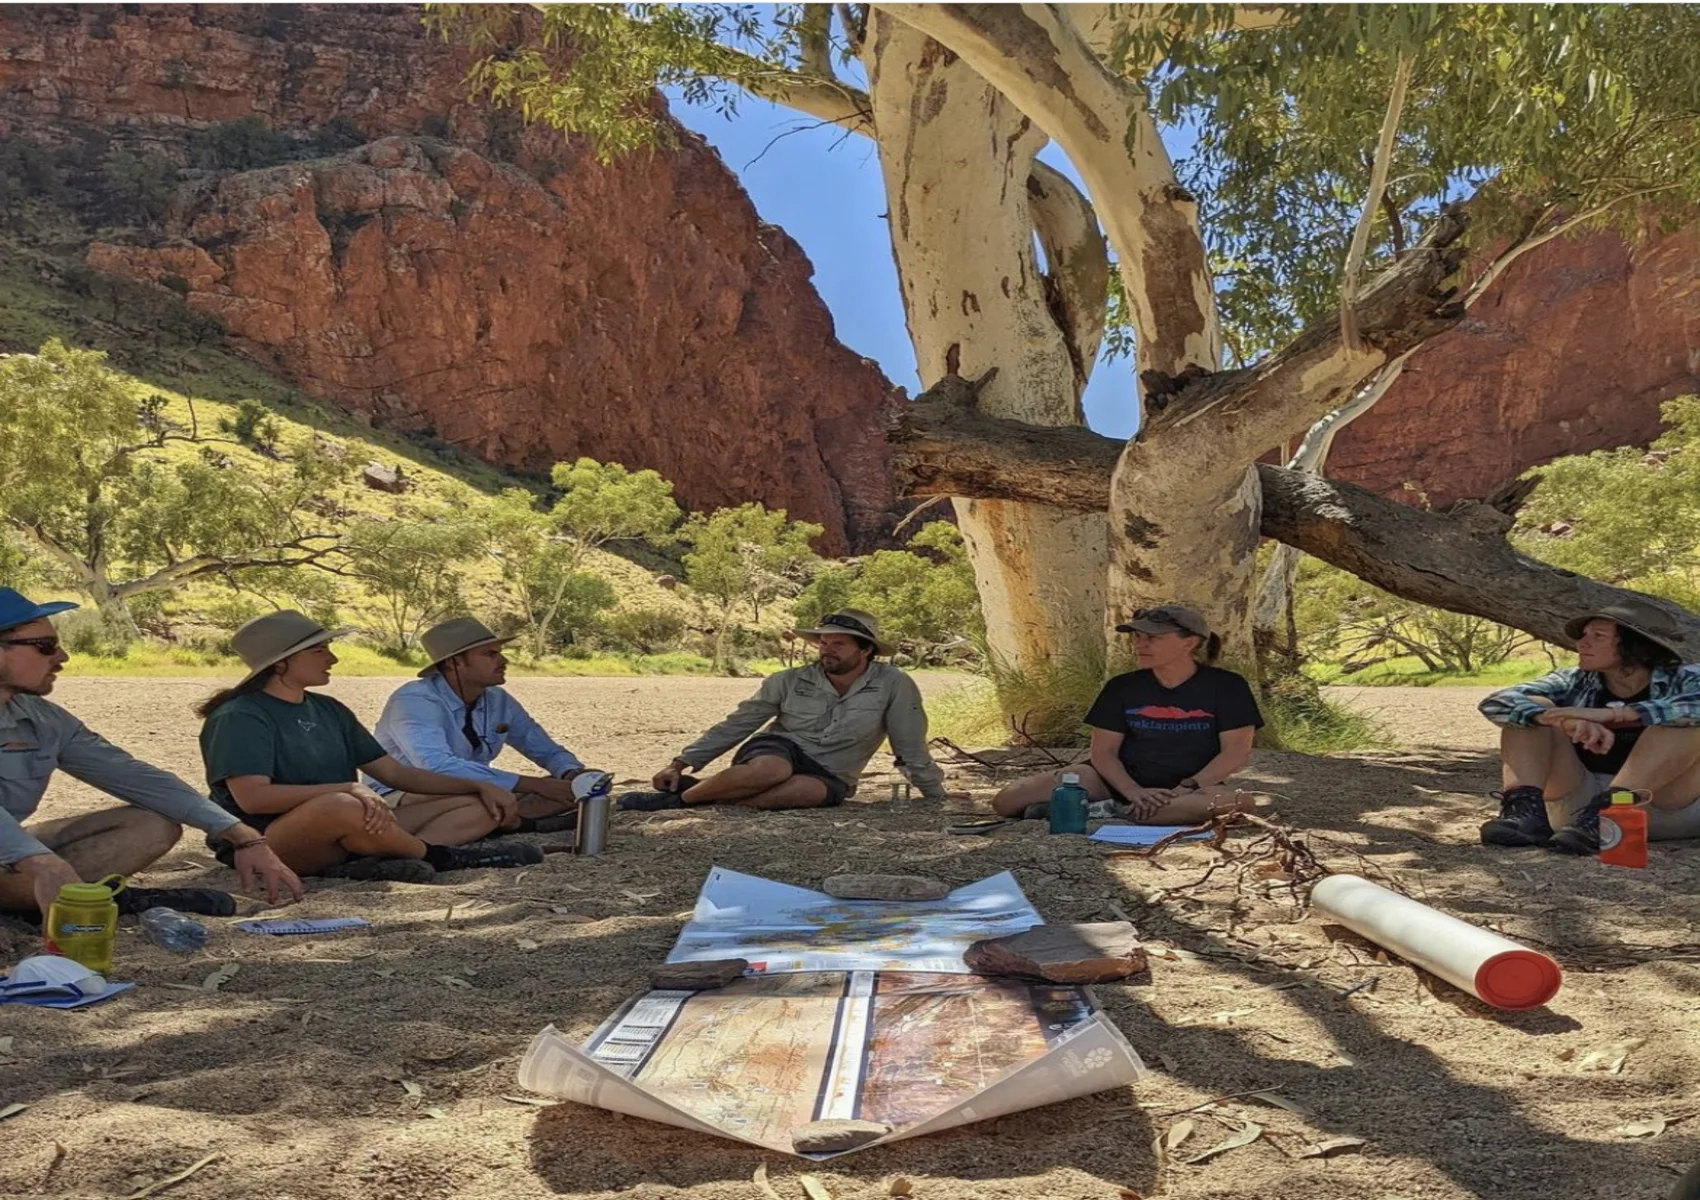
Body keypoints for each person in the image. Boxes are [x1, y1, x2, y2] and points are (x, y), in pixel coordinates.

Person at [0, 589, 303, 920]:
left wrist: (241, 835)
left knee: (154, 825)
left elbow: (137, 778)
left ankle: (56, 896)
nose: (62, 657)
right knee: (39, 868)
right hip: (16, 849)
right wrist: (38, 860)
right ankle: (91, 897)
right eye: (45, 646)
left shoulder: (44, 720)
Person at [197, 611, 542, 883]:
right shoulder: (241, 716)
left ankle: (379, 860)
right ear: (281, 662)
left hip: (351, 825)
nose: (332, 659)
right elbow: (254, 799)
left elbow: (394, 773)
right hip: (269, 840)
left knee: (479, 805)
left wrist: (479, 785)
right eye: (319, 650)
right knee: (341, 805)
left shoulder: (329, 709)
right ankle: (437, 857)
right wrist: (349, 789)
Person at [620, 609, 951, 811]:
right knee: (771, 771)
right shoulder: (788, 680)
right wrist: (679, 763)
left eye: (838, 644)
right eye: (823, 643)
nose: (827, 650)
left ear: (865, 650)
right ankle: (678, 800)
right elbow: (739, 723)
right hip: (780, 749)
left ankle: (713, 792)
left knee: (803, 792)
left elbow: (909, 743)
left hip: (833, 771)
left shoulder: (894, 683)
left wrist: (934, 793)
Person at [991, 604, 1262, 823]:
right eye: (1137, 637)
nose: (1140, 644)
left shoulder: (1228, 687)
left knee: (1241, 802)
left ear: (1189, 642)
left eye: (1153, 638)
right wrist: (1132, 790)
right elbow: (1103, 752)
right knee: (1007, 800)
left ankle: (1109, 811)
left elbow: (1235, 752)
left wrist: (1185, 788)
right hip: (1112, 783)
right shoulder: (1121, 687)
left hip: (1191, 789)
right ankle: (1123, 808)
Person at [1478, 603, 1700, 854]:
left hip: (1669, 805)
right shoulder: (1573, 679)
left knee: (1685, 721)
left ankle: (1611, 810)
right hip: (1579, 815)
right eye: (1584, 635)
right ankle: (1524, 816)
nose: (1582, 644)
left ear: (1636, 645)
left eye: (1598, 636)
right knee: (1533, 709)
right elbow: (1497, 702)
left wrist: (1613, 715)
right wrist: (1559, 719)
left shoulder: (1688, 677)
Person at [370, 617, 599, 833]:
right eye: (490, 654)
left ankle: (503, 820)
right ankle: (516, 822)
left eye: (500, 653)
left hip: (477, 788)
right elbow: (435, 767)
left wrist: (571, 773)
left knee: (575, 785)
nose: (504, 661)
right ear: (455, 662)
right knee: (478, 796)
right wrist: (532, 785)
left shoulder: (497, 699)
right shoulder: (414, 700)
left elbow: (542, 747)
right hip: (405, 794)